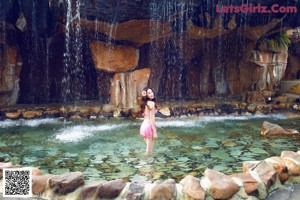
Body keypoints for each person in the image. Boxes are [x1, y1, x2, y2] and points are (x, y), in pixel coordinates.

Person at [140, 87, 157, 157]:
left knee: (148, 150)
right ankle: (143, 165)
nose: (151, 94)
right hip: (149, 127)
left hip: (143, 127)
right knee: (148, 151)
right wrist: (155, 132)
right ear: (146, 95)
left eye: (152, 92)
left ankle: (147, 165)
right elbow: (152, 118)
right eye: (149, 93)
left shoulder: (145, 103)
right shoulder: (151, 103)